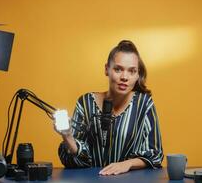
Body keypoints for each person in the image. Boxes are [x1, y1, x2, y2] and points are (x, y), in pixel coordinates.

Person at [56, 40, 163, 175]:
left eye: (132, 71)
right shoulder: (85, 103)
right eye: (118, 69)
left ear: (137, 75)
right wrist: (67, 137)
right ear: (107, 69)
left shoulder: (144, 104)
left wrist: (127, 164)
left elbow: (155, 154)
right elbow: (73, 160)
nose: (124, 77)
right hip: (91, 181)